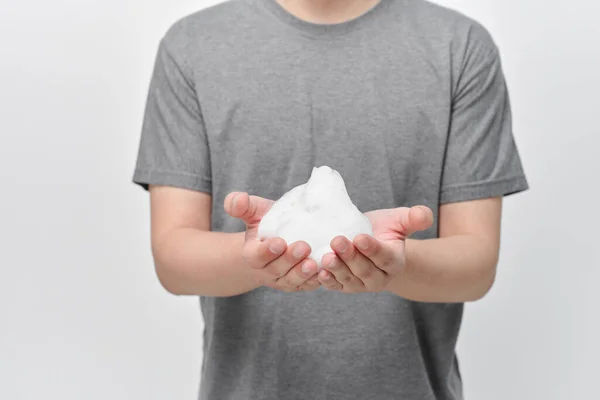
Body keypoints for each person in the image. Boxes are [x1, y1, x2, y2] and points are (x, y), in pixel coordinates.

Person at [132, 0, 528, 399]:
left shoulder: (458, 46)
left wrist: (396, 263)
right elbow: (173, 260)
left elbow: (476, 266)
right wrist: (253, 257)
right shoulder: (192, 45)